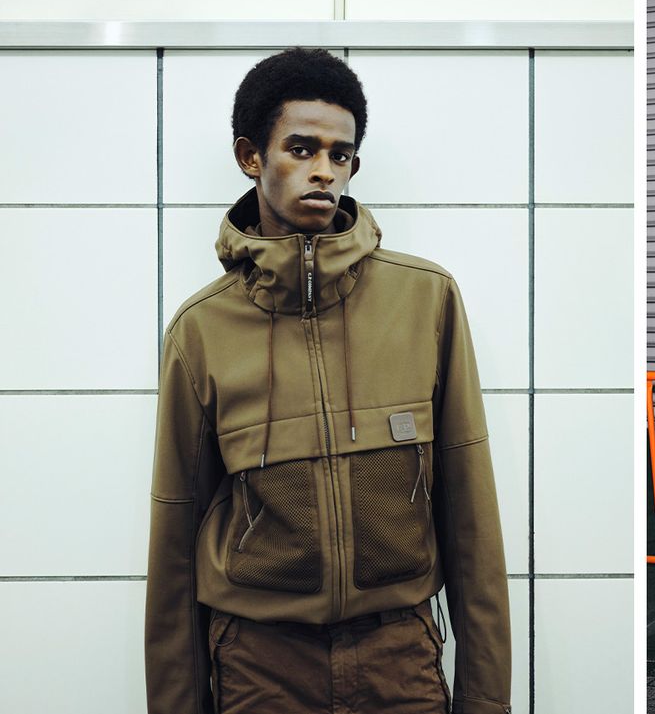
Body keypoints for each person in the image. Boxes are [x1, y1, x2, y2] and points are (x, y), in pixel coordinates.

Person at [145, 47, 511, 713]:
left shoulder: (426, 300)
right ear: (251, 156)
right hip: (259, 664)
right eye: (302, 148)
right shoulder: (200, 329)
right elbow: (175, 536)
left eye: (340, 155)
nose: (323, 170)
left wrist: (485, 699)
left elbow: (471, 521)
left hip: (396, 658)